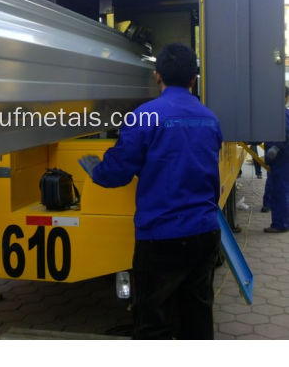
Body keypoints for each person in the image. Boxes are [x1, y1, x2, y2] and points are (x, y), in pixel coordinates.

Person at [80, 43, 222, 340]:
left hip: (161, 238)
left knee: (152, 322)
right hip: (205, 233)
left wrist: (96, 170)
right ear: (194, 79)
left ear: (157, 76)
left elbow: (116, 173)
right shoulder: (210, 119)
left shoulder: (144, 117)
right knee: (197, 317)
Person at [263, 86, 289, 233]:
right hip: (281, 160)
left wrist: (276, 148)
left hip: (281, 159)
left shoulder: (281, 114)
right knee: (282, 191)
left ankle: (280, 224)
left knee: (280, 191)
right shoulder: (279, 113)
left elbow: (284, 133)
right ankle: (283, 221)